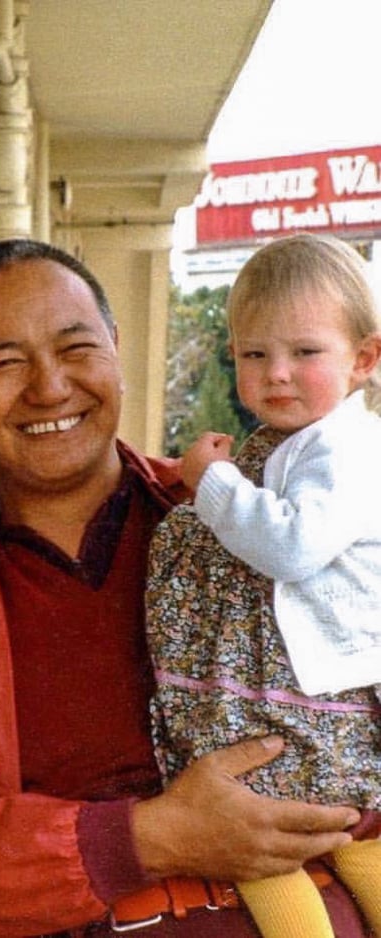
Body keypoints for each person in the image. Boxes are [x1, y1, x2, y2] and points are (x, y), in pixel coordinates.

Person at [0, 237, 378, 937]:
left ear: (117, 353)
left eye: (75, 349)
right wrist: (151, 837)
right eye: (4, 362)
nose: (49, 387)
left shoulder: (223, 514)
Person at [147, 233, 381, 938]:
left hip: (308, 710)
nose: (276, 374)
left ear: (364, 359)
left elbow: (290, 544)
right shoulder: (302, 441)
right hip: (307, 706)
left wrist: (210, 483)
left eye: (305, 353)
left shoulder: (345, 449)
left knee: (262, 849)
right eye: (254, 354)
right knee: (353, 839)